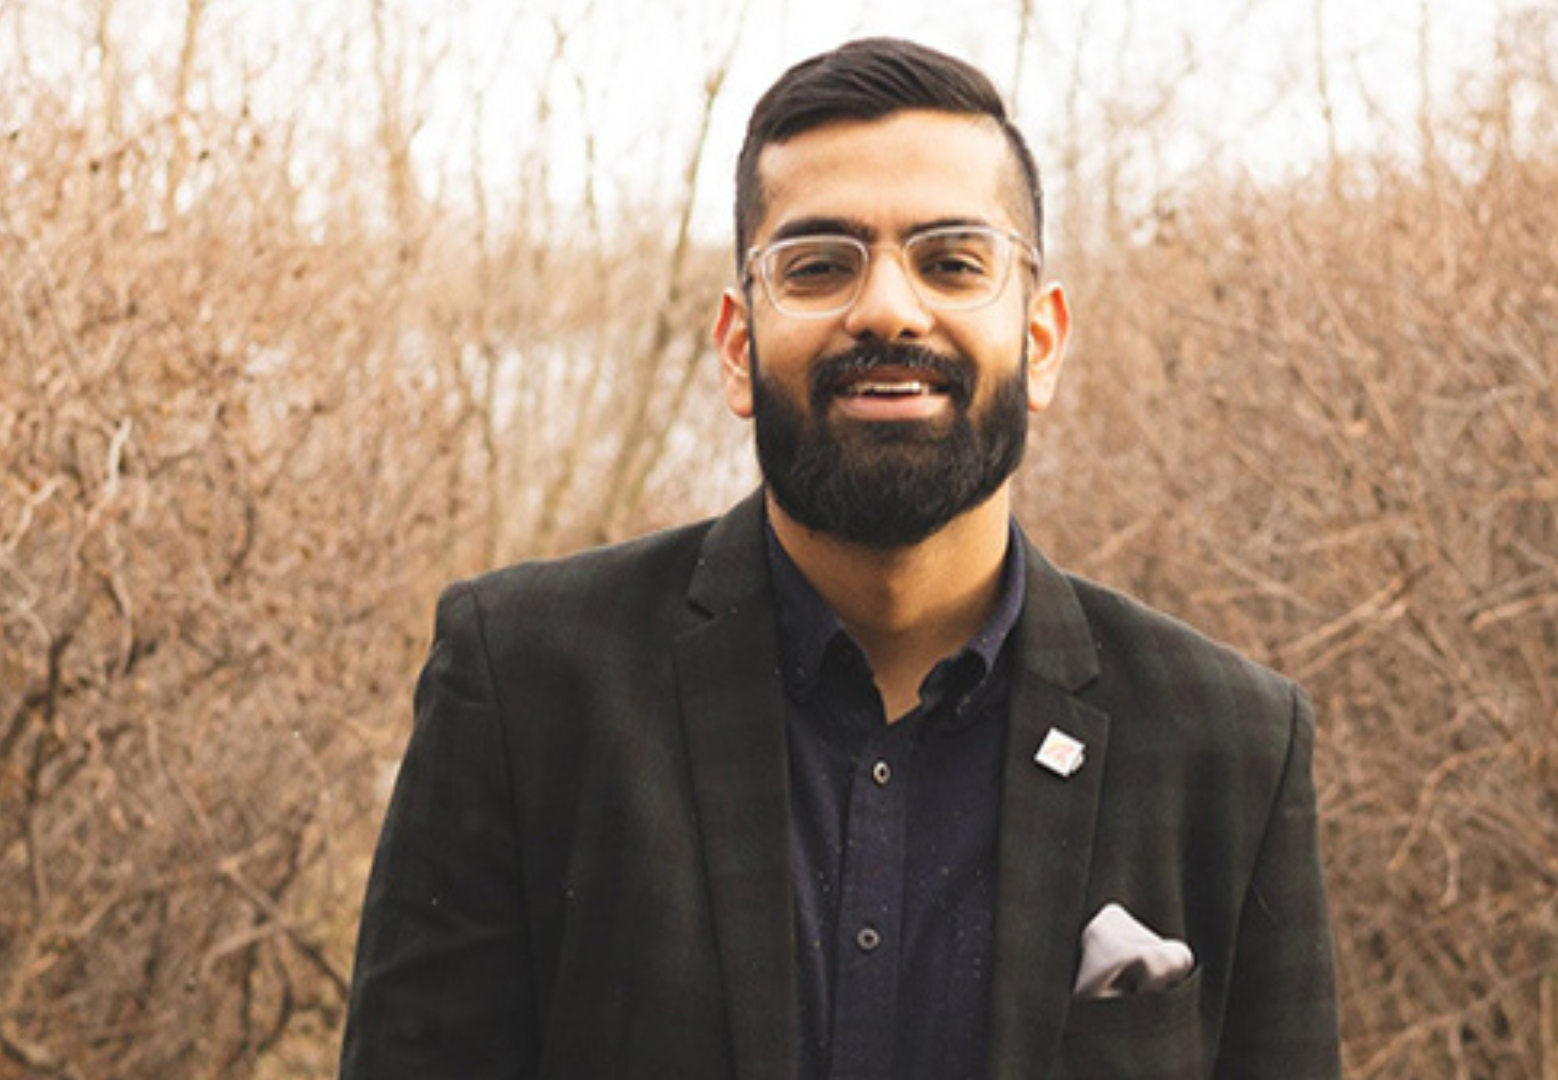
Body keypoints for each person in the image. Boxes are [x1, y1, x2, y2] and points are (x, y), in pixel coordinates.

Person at [339, 36, 1341, 1080]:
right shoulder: (527, 683)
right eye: (819, 265)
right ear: (737, 347)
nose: (887, 308)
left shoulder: (1230, 744)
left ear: (1040, 342)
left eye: (953, 262)